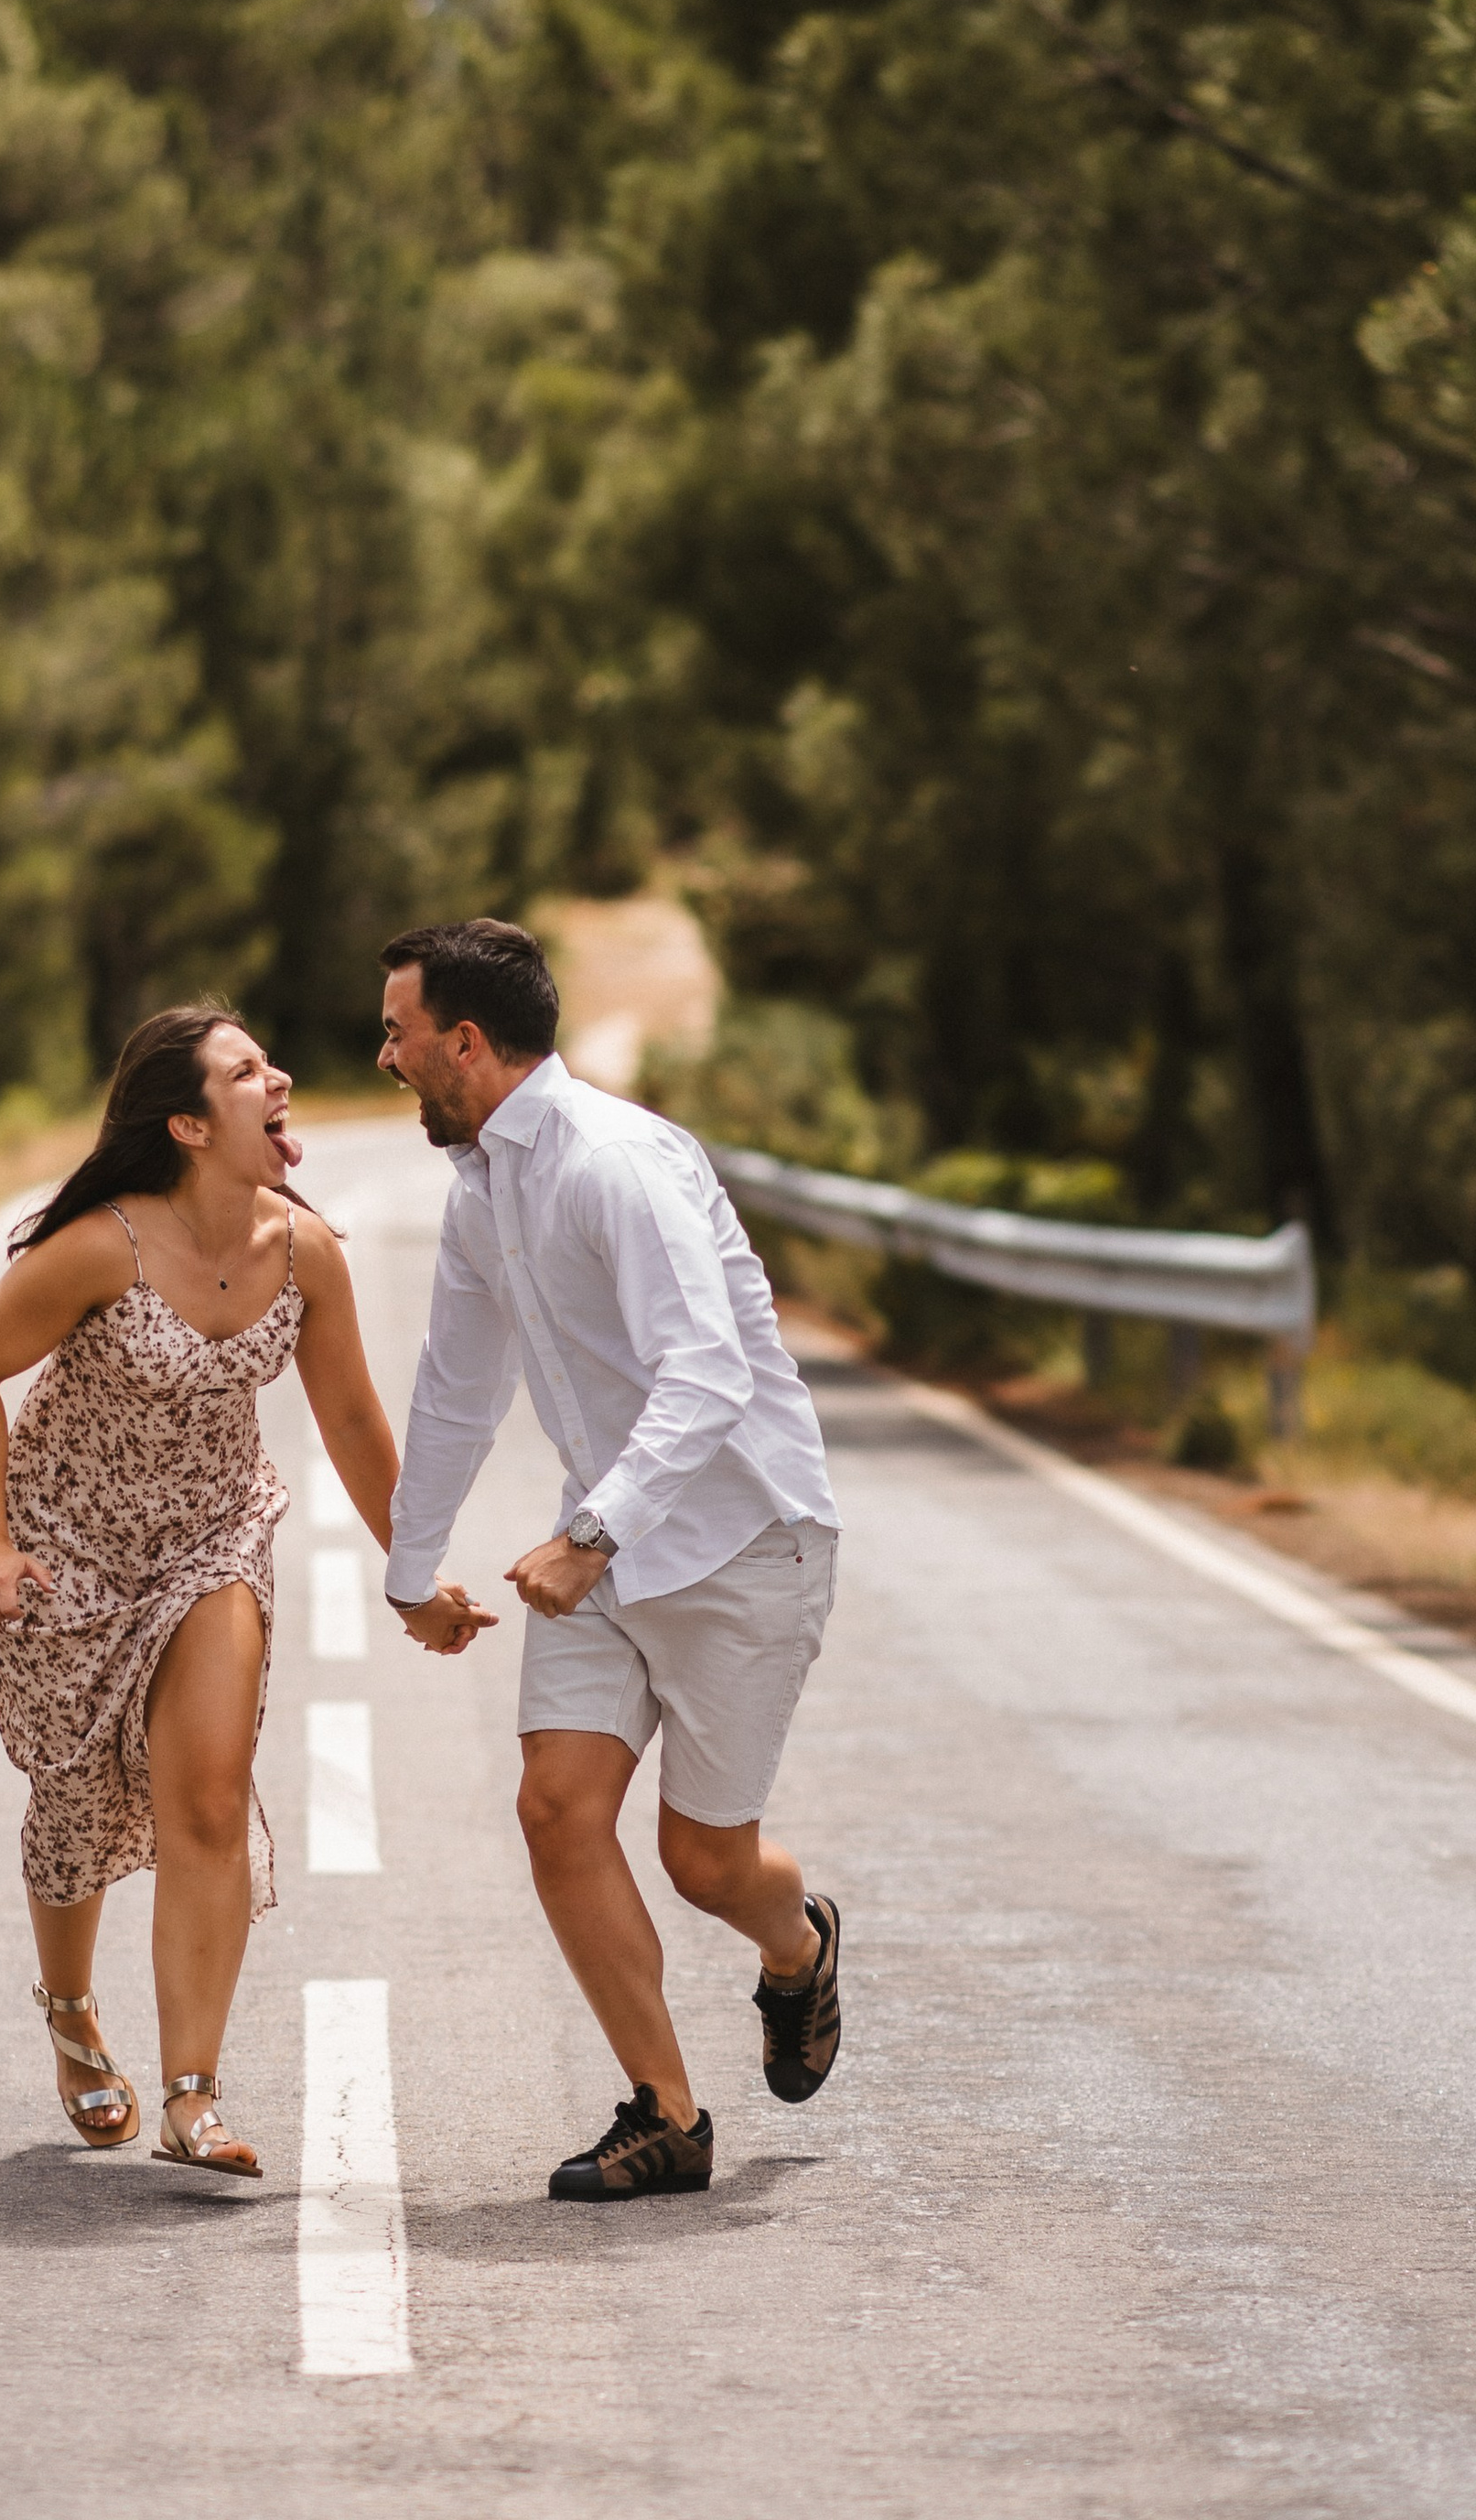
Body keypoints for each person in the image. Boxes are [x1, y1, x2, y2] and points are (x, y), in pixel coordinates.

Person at [376, 917, 843, 2204]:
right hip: (612, 1543)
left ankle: (796, 1953)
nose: (385, 1057)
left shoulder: (614, 1164)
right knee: (555, 1812)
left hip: (744, 1542)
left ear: (464, 1043)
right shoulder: (486, 1186)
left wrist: (589, 1536)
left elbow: (710, 1372)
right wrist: (412, 1571)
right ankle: (668, 2117)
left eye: (399, 1036)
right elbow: (456, 1388)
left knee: (706, 1865)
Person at [0, 1003, 396, 2178]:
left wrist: (412, 1570)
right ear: (189, 1125)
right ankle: (71, 2009)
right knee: (76, 1803)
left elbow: (348, 1419)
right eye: (248, 1073)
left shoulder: (308, 1252)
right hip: (68, 1550)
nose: (280, 1080)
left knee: (207, 1793)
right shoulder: (104, 1246)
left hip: (211, 1539)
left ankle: (194, 2095)